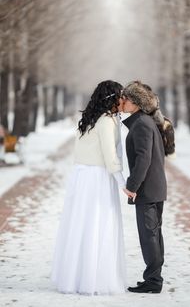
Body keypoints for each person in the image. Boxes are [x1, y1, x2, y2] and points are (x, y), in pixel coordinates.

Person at [51, 80, 127, 295]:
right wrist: (123, 184)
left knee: (81, 225)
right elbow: (110, 156)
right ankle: (93, 279)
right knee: (97, 224)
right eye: (121, 95)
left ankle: (76, 275)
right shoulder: (106, 121)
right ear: (112, 98)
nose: (123, 99)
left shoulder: (91, 119)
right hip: (97, 177)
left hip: (82, 175)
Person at [122, 81, 167, 294]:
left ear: (137, 103)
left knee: (149, 235)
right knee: (154, 234)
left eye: (127, 99)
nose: (123, 102)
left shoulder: (141, 124)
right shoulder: (145, 121)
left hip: (148, 189)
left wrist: (132, 186)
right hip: (154, 187)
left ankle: (153, 281)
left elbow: (144, 158)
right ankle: (153, 278)